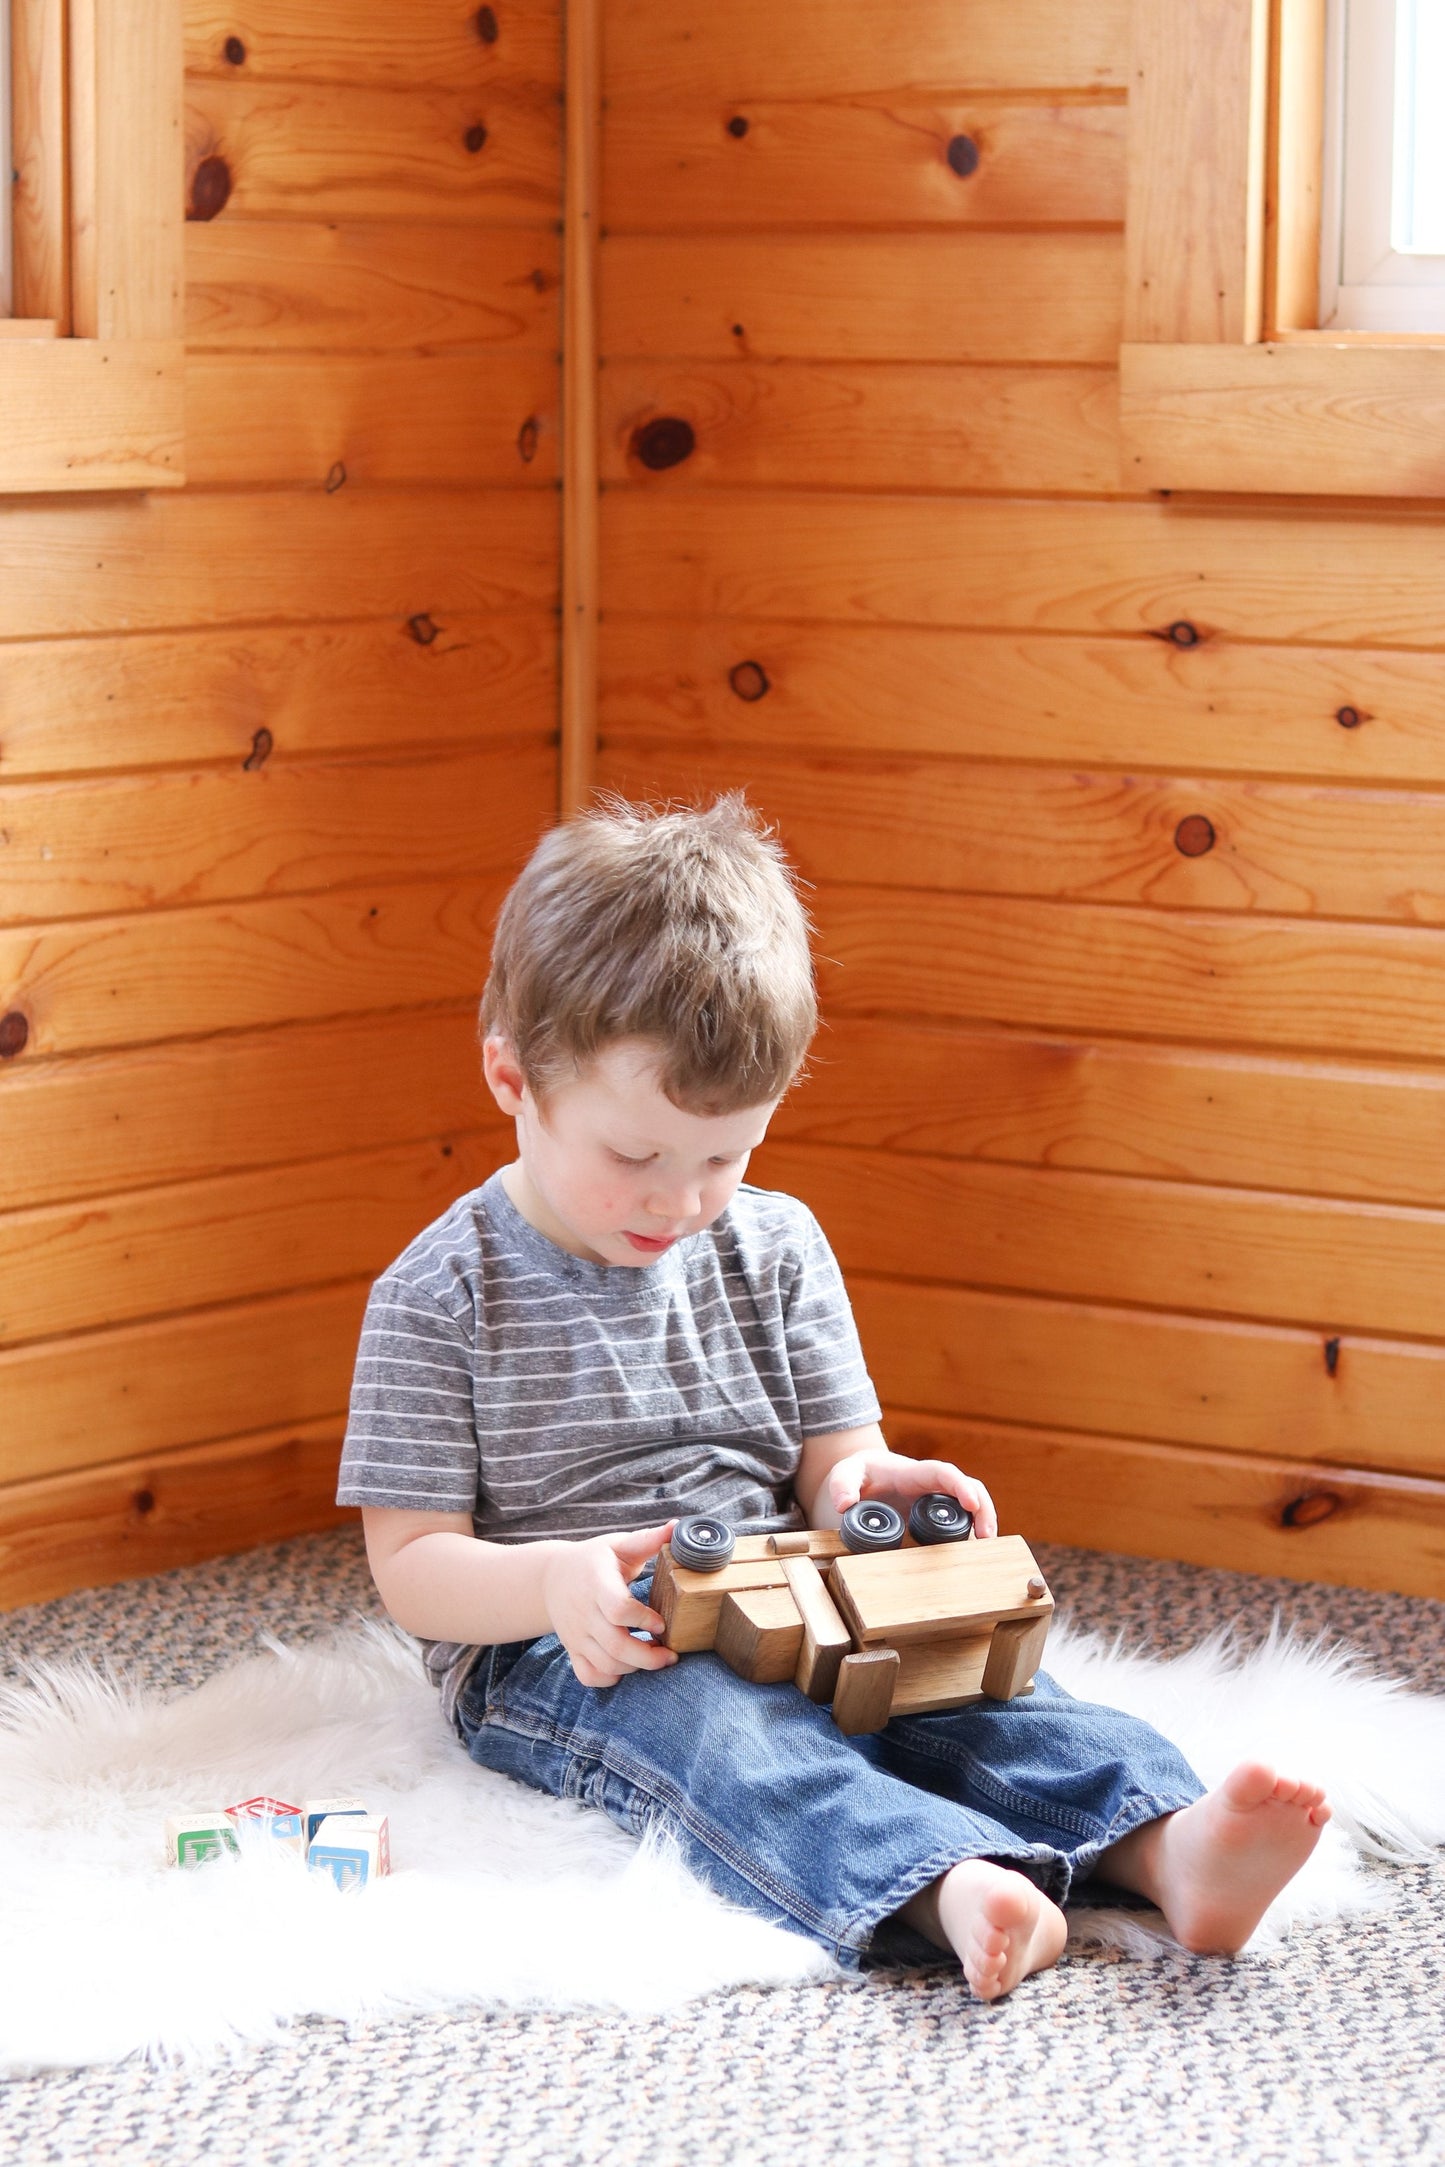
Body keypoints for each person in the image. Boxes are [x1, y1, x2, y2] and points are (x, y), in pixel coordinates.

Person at [336, 795, 1331, 2001]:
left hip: (795, 1580)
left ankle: (1165, 1843)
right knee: (725, 1737)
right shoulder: (440, 1293)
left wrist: (871, 1486)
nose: (680, 1200)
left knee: (974, 1683)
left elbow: (832, 1462)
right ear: (512, 1077)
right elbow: (412, 1565)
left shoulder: (778, 1244)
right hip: (567, 1644)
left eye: (724, 1155)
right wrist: (553, 1581)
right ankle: (939, 1882)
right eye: (637, 1156)